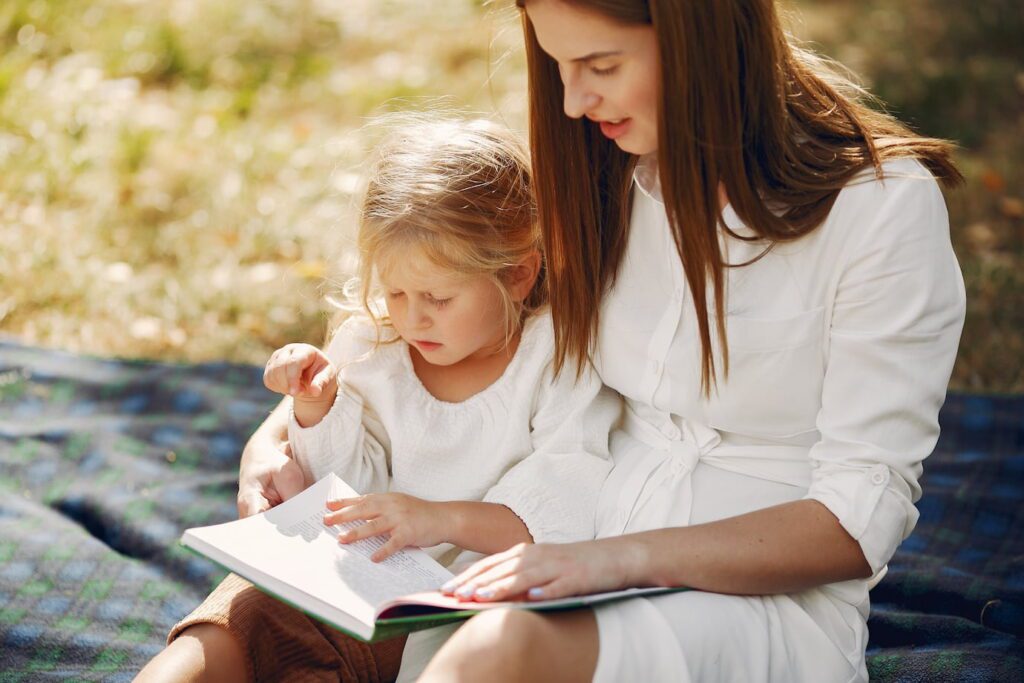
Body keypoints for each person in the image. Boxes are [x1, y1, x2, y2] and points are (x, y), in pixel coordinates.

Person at [409, 1, 967, 682]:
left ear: (698, 37)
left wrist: (614, 559)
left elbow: (856, 517)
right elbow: (472, 318)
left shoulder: (880, 211)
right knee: (274, 621)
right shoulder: (605, 167)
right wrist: (290, 432)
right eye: (558, 66)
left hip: (751, 605)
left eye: (601, 65)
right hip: (562, 545)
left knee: (499, 650)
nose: (575, 101)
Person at [134, 116, 620, 682]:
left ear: (517, 274)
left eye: (438, 297)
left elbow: (564, 507)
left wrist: (436, 520)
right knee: (238, 620)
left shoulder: (554, 358)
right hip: (348, 584)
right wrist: (316, 409)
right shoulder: (374, 343)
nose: (413, 317)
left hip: (458, 610)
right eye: (395, 291)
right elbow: (346, 492)